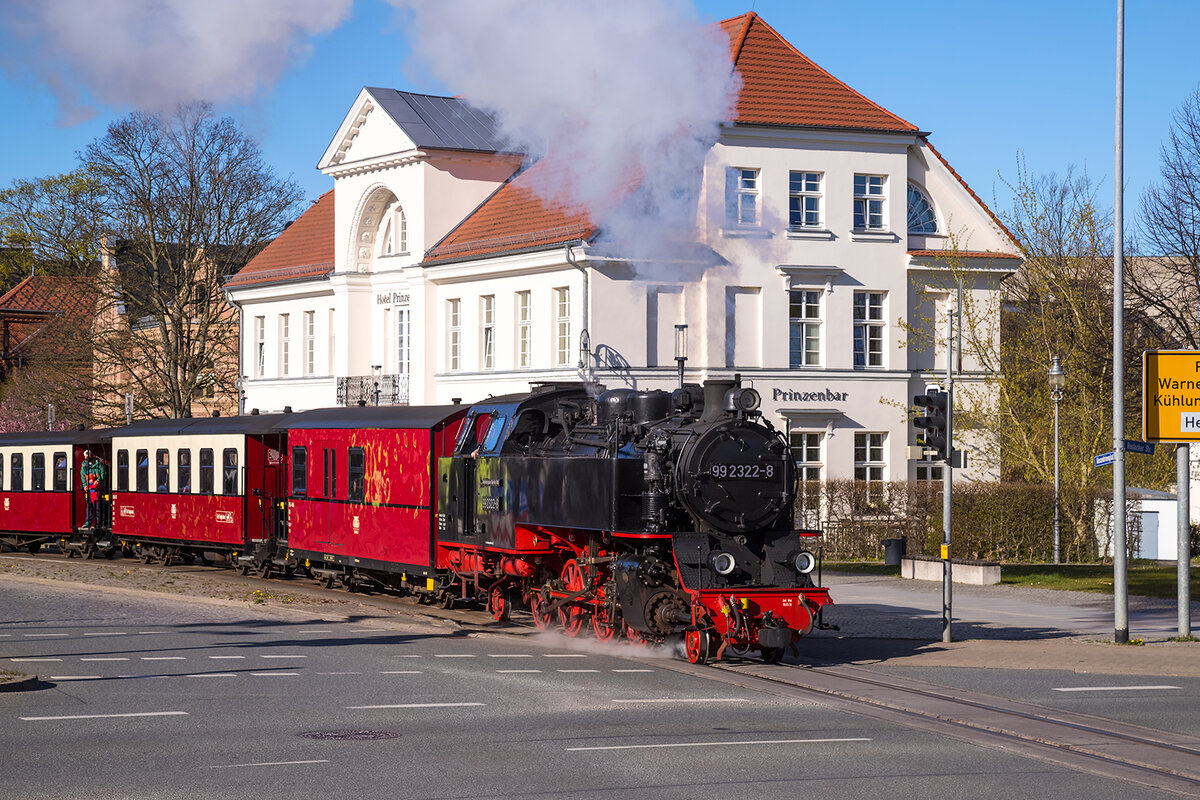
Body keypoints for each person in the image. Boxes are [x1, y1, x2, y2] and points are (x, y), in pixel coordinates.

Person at [80, 450, 106, 528]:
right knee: (89, 505)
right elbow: (82, 476)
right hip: (89, 489)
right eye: (86, 456)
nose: (87, 457)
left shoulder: (98, 464)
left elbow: (103, 473)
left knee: (97, 506)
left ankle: (98, 522)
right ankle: (88, 522)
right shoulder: (84, 465)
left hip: (97, 489)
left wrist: (98, 480)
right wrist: (85, 485)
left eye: (88, 455)